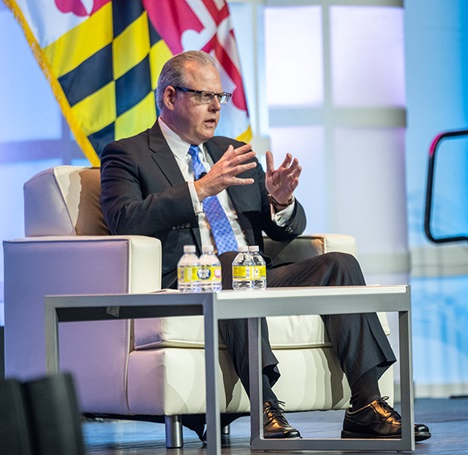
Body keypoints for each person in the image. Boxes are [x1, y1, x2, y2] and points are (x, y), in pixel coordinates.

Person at [100, 50, 430, 442]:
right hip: (187, 282)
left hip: (253, 273)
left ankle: (366, 406)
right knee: (229, 266)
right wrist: (199, 189)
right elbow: (124, 219)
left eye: (220, 98)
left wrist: (279, 202)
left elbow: (283, 233)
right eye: (203, 96)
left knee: (338, 264)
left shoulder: (231, 150)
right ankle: (264, 406)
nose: (215, 108)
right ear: (170, 97)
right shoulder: (128, 154)